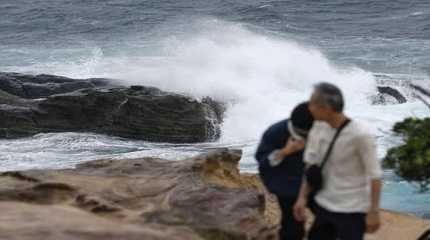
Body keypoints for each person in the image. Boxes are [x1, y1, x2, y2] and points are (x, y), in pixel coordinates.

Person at [293, 82, 383, 240]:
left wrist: (373, 212)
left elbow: (375, 176)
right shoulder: (318, 129)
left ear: (326, 108)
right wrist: (302, 197)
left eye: (313, 104)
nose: (309, 108)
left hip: (352, 210)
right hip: (324, 205)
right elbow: (311, 167)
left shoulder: (360, 135)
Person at [255, 102, 314, 240]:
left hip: (313, 180)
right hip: (285, 184)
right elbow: (263, 163)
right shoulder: (275, 133)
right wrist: (285, 152)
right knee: (292, 225)